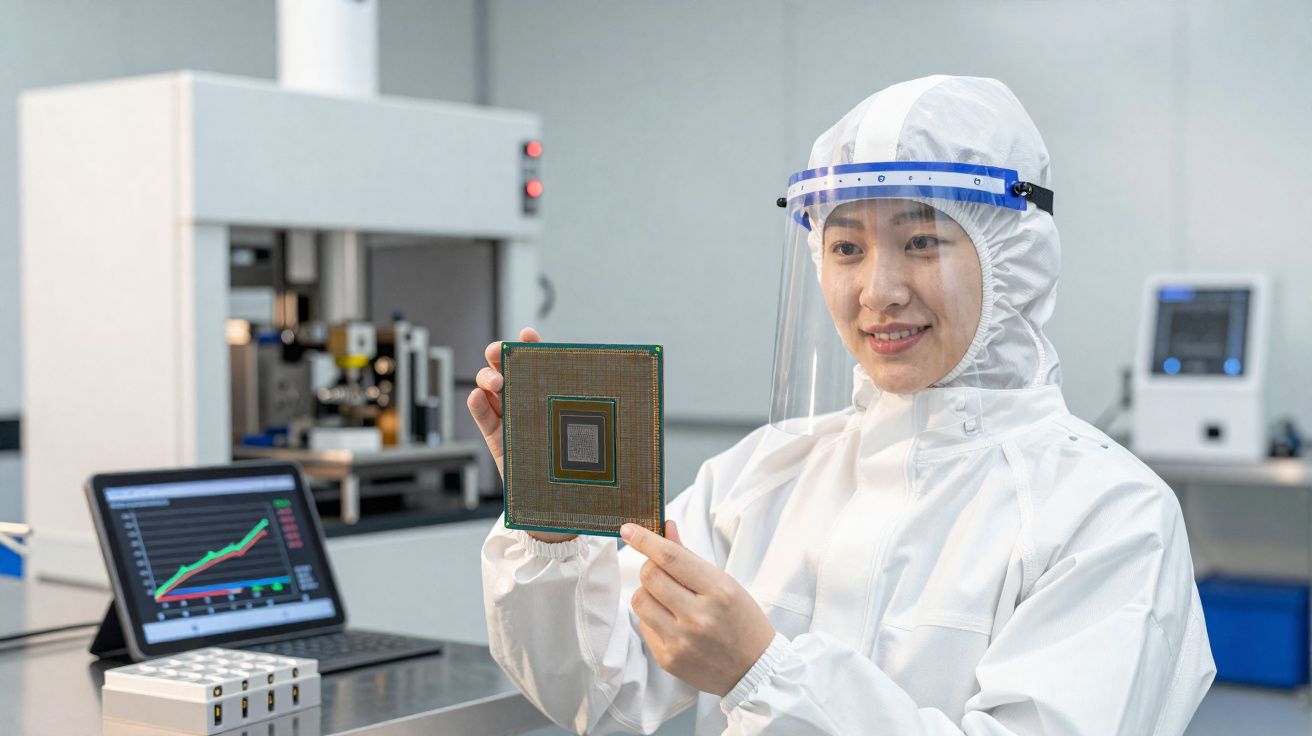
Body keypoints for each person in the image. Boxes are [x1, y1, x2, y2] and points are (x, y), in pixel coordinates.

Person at [468, 75, 1215, 735]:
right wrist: (552, 525)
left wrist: (760, 674)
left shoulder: (1108, 514)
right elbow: (602, 694)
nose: (877, 292)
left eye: (922, 241)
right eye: (847, 248)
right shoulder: (764, 475)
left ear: (1013, 258)